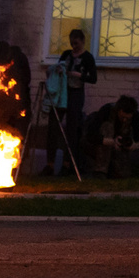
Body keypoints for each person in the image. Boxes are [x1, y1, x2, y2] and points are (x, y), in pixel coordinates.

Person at [55, 27, 98, 176]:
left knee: (73, 128)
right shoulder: (66, 55)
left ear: (83, 42)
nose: (74, 46)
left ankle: (70, 164)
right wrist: (59, 70)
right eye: (72, 43)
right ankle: (54, 163)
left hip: (76, 93)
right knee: (57, 124)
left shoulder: (88, 58)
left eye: (77, 43)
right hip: (63, 92)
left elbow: (93, 78)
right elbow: (58, 67)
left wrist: (79, 75)